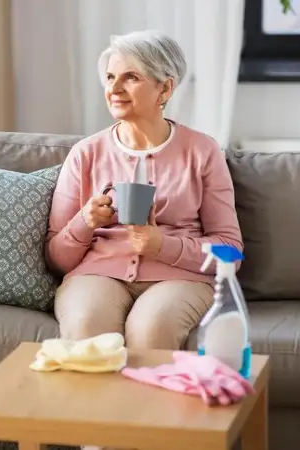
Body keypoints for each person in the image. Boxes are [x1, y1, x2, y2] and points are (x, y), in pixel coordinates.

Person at [45, 30, 243, 351]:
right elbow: (56, 259)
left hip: (180, 278)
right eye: (110, 77)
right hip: (98, 274)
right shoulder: (86, 153)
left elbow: (230, 253)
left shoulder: (203, 151)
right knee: (88, 329)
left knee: (151, 329)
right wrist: (86, 221)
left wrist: (162, 245)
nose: (114, 88)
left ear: (164, 88)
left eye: (131, 77)